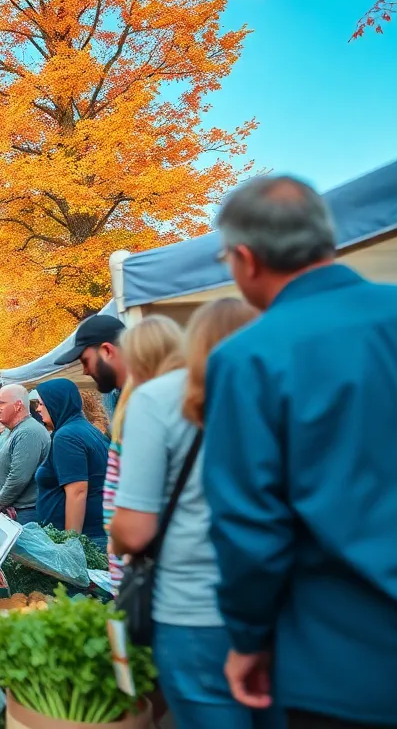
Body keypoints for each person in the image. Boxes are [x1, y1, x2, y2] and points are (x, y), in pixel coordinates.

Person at [203, 175, 397, 729]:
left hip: (352, 669)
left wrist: (247, 639)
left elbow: (250, 527)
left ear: (246, 259)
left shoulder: (251, 356)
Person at [112, 299, 270, 729]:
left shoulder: (159, 399)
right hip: (278, 605)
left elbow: (135, 529)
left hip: (194, 610)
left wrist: (117, 536)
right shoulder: (276, 388)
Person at [106, 314, 185, 589]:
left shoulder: (146, 403)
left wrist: (115, 536)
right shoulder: (201, 401)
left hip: (148, 567)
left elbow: (133, 527)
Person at [32, 380, 109, 549]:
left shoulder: (67, 436)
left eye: (41, 403)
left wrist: (70, 544)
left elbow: (77, 491)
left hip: (89, 538)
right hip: (98, 533)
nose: (38, 409)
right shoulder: (86, 429)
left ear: (56, 403)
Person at [0, 385, 48, 525]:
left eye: (1, 403)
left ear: (18, 405)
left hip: (23, 515)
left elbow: (18, 478)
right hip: (15, 512)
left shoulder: (28, 432)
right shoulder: (17, 430)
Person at [53, 313, 130, 396]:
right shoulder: (130, 394)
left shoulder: (142, 396)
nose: (85, 371)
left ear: (107, 351)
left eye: (86, 361)